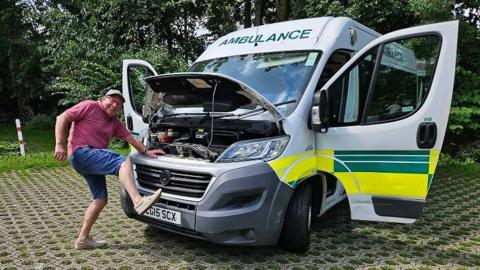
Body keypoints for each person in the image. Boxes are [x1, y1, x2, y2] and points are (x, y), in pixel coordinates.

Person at [54, 89, 165, 250]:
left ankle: (82, 240)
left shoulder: (114, 123)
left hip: (90, 159)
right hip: (81, 152)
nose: (114, 105)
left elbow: (131, 139)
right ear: (102, 99)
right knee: (122, 162)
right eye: (112, 100)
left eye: (118, 105)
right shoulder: (89, 106)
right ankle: (138, 201)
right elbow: (62, 117)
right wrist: (59, 144)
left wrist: (147, 151)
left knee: (100, 199)